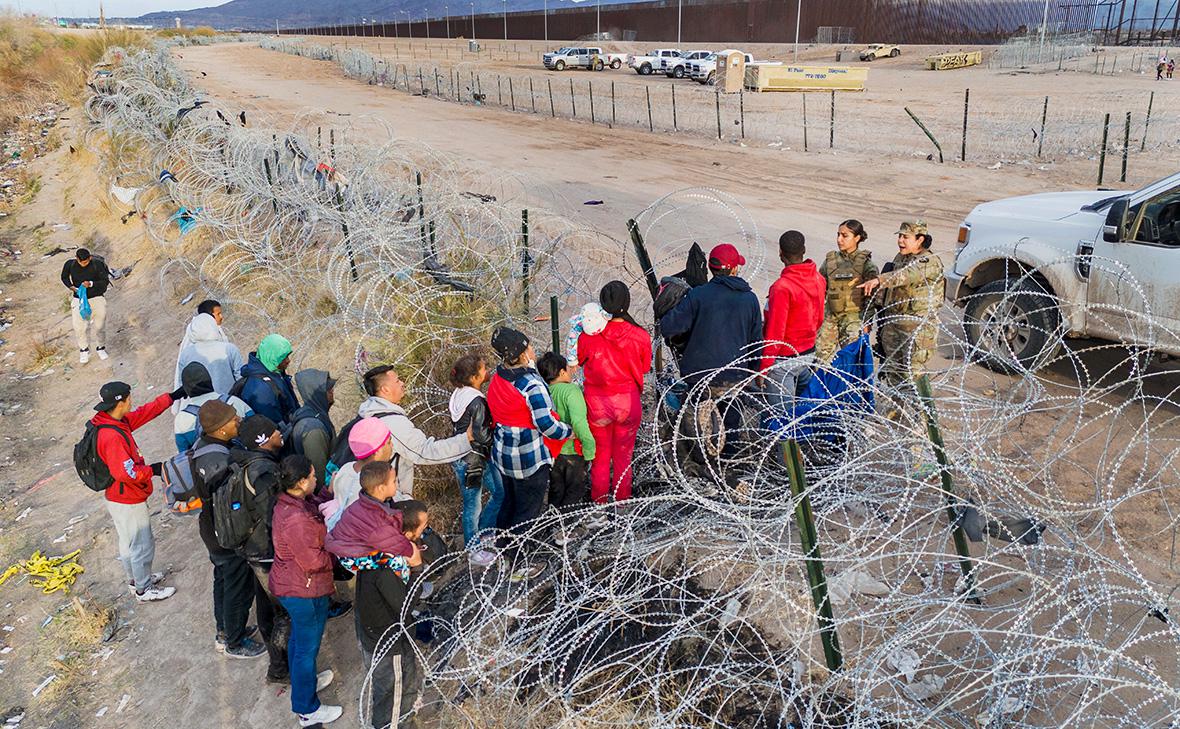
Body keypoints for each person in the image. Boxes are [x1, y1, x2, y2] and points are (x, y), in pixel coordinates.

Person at [91, 380, 184, 602]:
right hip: (127, 498)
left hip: (116, 497)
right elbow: (127, 473)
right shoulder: (112, 436)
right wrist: (151, 470)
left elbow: (144, 414)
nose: (132, 401)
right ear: (121, 402)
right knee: (142, 543)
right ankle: (144, 589)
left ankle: (136, 580)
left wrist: (172, 396)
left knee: (128, 542)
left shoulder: (109, 422)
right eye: (129, 397)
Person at [190, 403, 268, 659]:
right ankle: (234, 642)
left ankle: (225, 631)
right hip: (222, 531)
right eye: (234, 420)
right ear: (221, 428)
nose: (238, 422)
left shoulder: (202, 447)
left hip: (209, 527)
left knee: (223, 581)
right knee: (238, 586)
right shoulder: (219, 461)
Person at [270, 454, 343, 727]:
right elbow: (313, 561)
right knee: (306, 648)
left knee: (299, 642)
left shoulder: (293, 502)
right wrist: (340, 551)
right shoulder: (296, 519)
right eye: (313, 476)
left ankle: (306, 683)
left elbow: (315, 505)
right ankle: (306, 708)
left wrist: (328, 490)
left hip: (294, 583)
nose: (316, 478)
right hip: (303, 589)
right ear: (301, 482)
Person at [353, 492, 429, 729]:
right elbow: (405, 605)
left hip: (383, 632)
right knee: (390, 698)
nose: (424, 533)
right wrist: (417, 570)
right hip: (387, 641)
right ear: (406, 534)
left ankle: (405, 718)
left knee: (403, 680)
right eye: (423, 528)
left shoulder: (379, 553)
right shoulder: (387, 570)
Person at [486, 327, 572, 535]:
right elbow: (547, 425)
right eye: (529, 346)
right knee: (527, 511)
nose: (533, 349)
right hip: (528, 459)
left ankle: (502, 544)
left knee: (510, 503)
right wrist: (567, 431)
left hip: (503, 454)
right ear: (523, 354)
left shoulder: (500, 376)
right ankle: (518, 558)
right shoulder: (531, 385)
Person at [859, 220, 945, 417]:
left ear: (920, 240)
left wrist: (878, 280)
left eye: (905, 237)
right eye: (899, 236)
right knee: (894, 371)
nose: (900, 241)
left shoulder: (928, 262)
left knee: (913, 375)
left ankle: (923, 419)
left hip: (916, 329)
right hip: (894, 324)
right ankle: (896, 409)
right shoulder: (901, 257)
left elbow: (904, 276)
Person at [576, 281, 650, 503]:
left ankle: (599, 504)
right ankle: (622, 504)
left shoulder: (589, 334)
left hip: (597, 403)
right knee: (623, 457)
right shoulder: (639, 335)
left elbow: (579, 360)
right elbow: (645, 367)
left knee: (600, 458)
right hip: (627, 402)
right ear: (626, 303)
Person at [357, 365, 471, 500]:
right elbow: (425, 452)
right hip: (391, 499)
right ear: (385, 389)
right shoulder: (392, 424)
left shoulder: (367, 413)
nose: (402, 383)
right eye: (397, 381)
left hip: (371, 494)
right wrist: (467, 439)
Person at [659, 243, 762, 385]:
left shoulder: (698, 295)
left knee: (694, 406)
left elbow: (668, 327)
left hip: (698, 375)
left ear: (710, 267)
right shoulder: (750, 299)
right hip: (734, 375)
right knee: (731, 407)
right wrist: (750, 372)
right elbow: (756, 343)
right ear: (734, 269)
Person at [760, 230, 827, 417]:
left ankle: (783, 446)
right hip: (808, 355)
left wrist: (764, 367)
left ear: (780, 253)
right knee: (801, 412)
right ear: (804, 250)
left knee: (781, 418)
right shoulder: (818, 279)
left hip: (784, 360)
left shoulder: (782, 287)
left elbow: (775, 331)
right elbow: (819, 318)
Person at [447, 354, 502, 566]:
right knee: (476, 503)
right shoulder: (477, 401)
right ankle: (474, 549)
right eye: (483, 368)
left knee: (493, 495)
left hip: (464, 456)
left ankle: (485, 532)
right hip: (474, 459)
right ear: (475, 376)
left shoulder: (459, 394)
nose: (486, 370)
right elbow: (481, 435)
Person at [537, 352, 595, 514]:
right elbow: (579, 422)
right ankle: (566, 528)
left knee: (556, 490)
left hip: (553, 451)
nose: (571, 372)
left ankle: (552, 522)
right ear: (562, 372)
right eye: (569, 369)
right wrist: (590, 448)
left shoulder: (545, 392)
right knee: (574, 491)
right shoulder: (571, 391)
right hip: (573, 451)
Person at [816, 220, 879, 364]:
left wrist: (866, 324)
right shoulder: (830, 261)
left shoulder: (866, 264)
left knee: (850, 362)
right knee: (820, 360)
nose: (839, 239)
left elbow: (872, 298)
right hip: (830, 317)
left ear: (857, 238)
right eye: (838, 235)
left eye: (845, 236)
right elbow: (820, 287)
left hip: (853, 319)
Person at [324, 417, 394, 531]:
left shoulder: (345, 469)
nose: (392, 446)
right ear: (377, 451)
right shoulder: (372, 486)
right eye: (389, 442)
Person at [173, 361, 251, 452]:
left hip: (212, 463)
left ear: (185, 389)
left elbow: (184, 454)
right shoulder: (235, 401)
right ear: (210, 380)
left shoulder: (181, 420)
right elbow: (256, 426)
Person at [173, 311, 244, 400]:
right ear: (214, 327)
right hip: (231, 401)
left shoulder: (185, 354)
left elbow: (184, 384)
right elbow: (241, 378)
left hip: (203, 407)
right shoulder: (229, 348)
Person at [238, 333, 300, 429]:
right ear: (272, 357)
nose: (288, 361)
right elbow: (272, 426)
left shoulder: (275, 372)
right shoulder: (261, 389)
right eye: (284, 357)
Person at [288, 369, 337, 487]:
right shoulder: (313, 429)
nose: (332, 392)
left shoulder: (315, 414)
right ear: (319, 394)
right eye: (328, 389)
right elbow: (319, 476)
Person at [61, 248, 111, 364]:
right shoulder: (70, 265)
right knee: (79, 327)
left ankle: (101, 347)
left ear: (90, 258)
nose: (84, 264)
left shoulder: (97, 265)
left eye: (86, 262)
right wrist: (71, 287)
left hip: (96, 297)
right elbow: (64, 277)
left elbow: (105, 282)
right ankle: (84, 350)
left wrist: (91, 284)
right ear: (77, 259)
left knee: (100, 325)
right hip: (79, 299)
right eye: (81, 262)